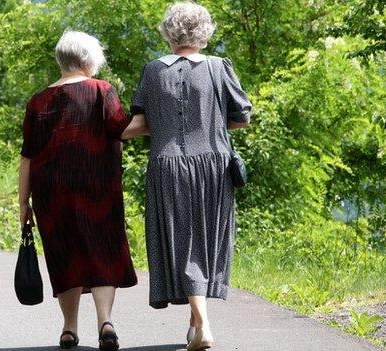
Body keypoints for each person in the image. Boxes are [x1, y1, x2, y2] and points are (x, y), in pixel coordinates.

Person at [130, 2, 252, 350]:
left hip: (167, 164)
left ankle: (200, 324)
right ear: (204, 32)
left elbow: (140, 123)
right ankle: (200, 322)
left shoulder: (153, 71)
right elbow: (241, 117)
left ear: (168, 32)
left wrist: (109, 131)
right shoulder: (218, 67)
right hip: (213, 165)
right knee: (202, 243)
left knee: (181, 243)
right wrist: (210, 123)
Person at [18, 30, 147, 351]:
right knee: (101, 248)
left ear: (61, 60)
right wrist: (157, 117)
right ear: (88, 60)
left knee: (64, 254)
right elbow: (123, 128)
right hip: (96, 186)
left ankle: (69, 328)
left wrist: (23, 202)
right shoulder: (102, 90)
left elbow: (27, 156)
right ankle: (105, 322)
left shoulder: (37, 101)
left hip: (50, 191)